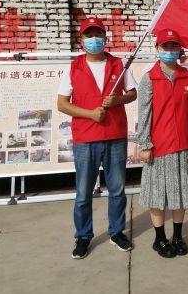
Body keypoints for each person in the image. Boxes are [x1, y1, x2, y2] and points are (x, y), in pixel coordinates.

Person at [57, 17, 137, 259]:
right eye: (88, 35)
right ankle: (83, 236)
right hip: (86, 138)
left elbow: (132, 93)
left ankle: (116, 232)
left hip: (115, 136)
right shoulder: (74, 67)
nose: (94, 40)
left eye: (98, 35)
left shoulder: (118, 64)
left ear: (105, 38)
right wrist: (90, 114)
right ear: (81, 40)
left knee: (117, 190)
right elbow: (62, 104)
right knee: (83, 193)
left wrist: (118, 100)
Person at [137, 29, 188, 258]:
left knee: (180, 193)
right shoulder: (149, 78)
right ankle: (159, 238)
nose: (170, 51)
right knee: (158, 194)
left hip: (183, 144)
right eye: (165, 47)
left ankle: (177, 236)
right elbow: (144, 113)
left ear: (180, 50)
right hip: (159, 146)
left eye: (174, 47)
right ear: (157, 49)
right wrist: (144, 144)